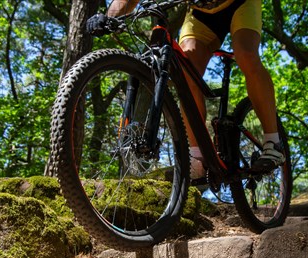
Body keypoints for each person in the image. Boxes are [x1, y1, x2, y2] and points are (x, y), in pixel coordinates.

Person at [87, 0, 284, 178]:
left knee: (245, 54)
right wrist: (107, 17)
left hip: (240, 4)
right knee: (186, 71)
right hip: (201, 13)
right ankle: (197, 157)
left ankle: (273, 143)